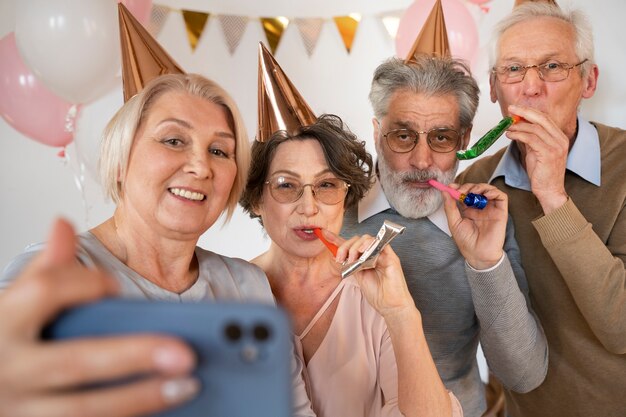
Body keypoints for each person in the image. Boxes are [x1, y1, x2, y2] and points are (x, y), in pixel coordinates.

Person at [0, 74, 314, 417]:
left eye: (219, 151)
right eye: (174, 140)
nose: (200, 166)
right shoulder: (56, 275)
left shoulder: (247, 285)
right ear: (121, 160)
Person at [340, 55, 548, 417]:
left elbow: (523, 374)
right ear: (376, 133)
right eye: (403, 136)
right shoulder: (328, 212)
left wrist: (486, 263)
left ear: (464, 138)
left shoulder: (486, 223)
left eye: (441, 138)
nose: (422, 161)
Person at [457, 3, 626, 417]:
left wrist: (552, 195)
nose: (530, 87)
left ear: (589, 81)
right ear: (494, 88)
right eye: (513, 69)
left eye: (552, 66)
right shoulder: (473, 185)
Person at [240, 114, 463, 417]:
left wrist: (400, 312)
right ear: (256, 199)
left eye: (327, 184)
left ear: (346, 197)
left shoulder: (374, 293)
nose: (309, 207)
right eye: (286, 185)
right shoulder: (225, 289)